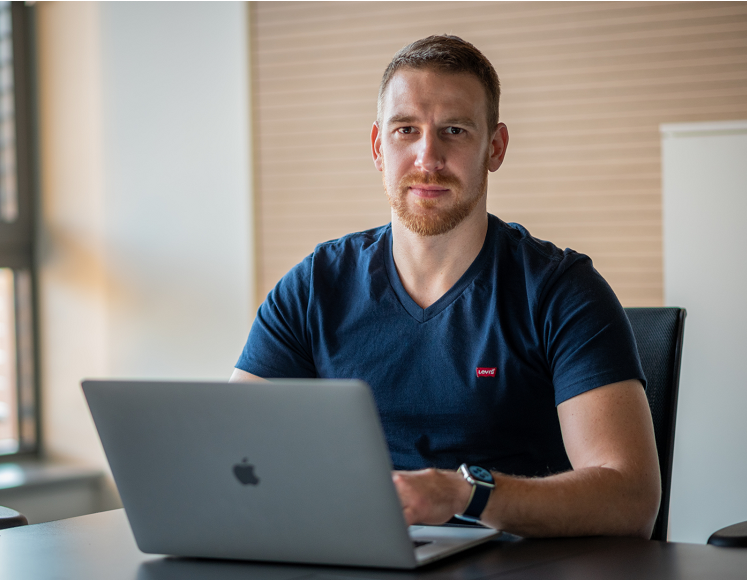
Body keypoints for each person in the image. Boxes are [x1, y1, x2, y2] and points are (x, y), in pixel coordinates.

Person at [231, 35, 661, 539]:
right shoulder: (312, 286)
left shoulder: (562, 291)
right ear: (377, 147)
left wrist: (467, 494)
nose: (427, 157)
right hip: (353, 559)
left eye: (453, 131)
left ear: (494, 147)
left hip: (521, 571)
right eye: (406, 130)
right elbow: (234, 452)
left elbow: (630, 499)